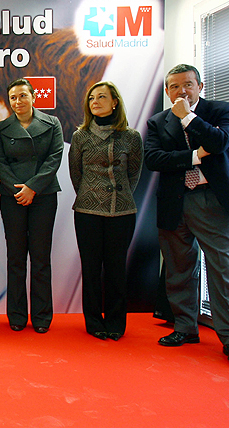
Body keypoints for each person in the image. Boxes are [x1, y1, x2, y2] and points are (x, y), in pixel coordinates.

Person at [145, 63, 229, 366]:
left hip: (212, 201)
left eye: (188, 85)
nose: (182, 91)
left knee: (223, 270)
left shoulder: (220, 110)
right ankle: (184, 327)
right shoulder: (157, 121)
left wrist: (188, 117)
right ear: (167, 91)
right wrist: (194, 156)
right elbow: (154, 159)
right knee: (179, 268)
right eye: (175, 87)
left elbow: (219, 143)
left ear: (200, 87)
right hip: (175, 202)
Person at [69, 81, 142, 340]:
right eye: (91, 98)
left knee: (115, 269)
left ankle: (115, 322)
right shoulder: (80, 136)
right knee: (90, 269)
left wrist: (119, 195)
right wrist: (92, 194)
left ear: (115, 102)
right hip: (87, 211)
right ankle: (93, 321)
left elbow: (134, 174)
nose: (95, 101)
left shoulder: (131, 137)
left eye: (101, 96)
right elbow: (76, 174)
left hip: (121, 211)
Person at [0, 78, 62, 333]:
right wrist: (20, 189)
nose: (18, 101)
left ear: (33, 97)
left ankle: (42, 317)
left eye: (22, 96)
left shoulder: (52, 124)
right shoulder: (1, 128)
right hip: (12, 197)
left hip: (44, 195)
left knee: (41, 258)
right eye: (13, 98)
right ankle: (17, 316)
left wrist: (33, 187)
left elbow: (54, 158)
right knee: (16, 258)